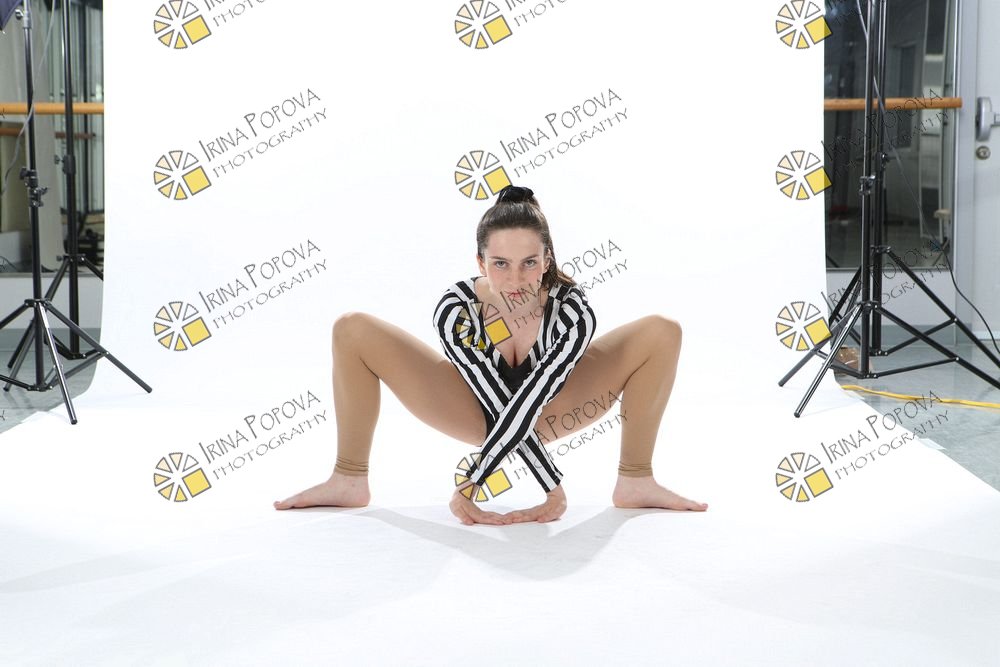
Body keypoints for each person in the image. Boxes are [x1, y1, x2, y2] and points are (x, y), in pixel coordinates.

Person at [274, 185, 707, 523]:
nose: (516, 280)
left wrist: (479, 479)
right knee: (352, 328)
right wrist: (545, 485)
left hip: (551, 408)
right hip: (475, 410)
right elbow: (496, 399)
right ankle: (349, 476)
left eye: (529, 263)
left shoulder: (572, 309)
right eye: (501, 264)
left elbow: (535, 395)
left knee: (662, 331)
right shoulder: (456, 308)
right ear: (480, 263)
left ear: (547, 260)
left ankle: (636, 479)